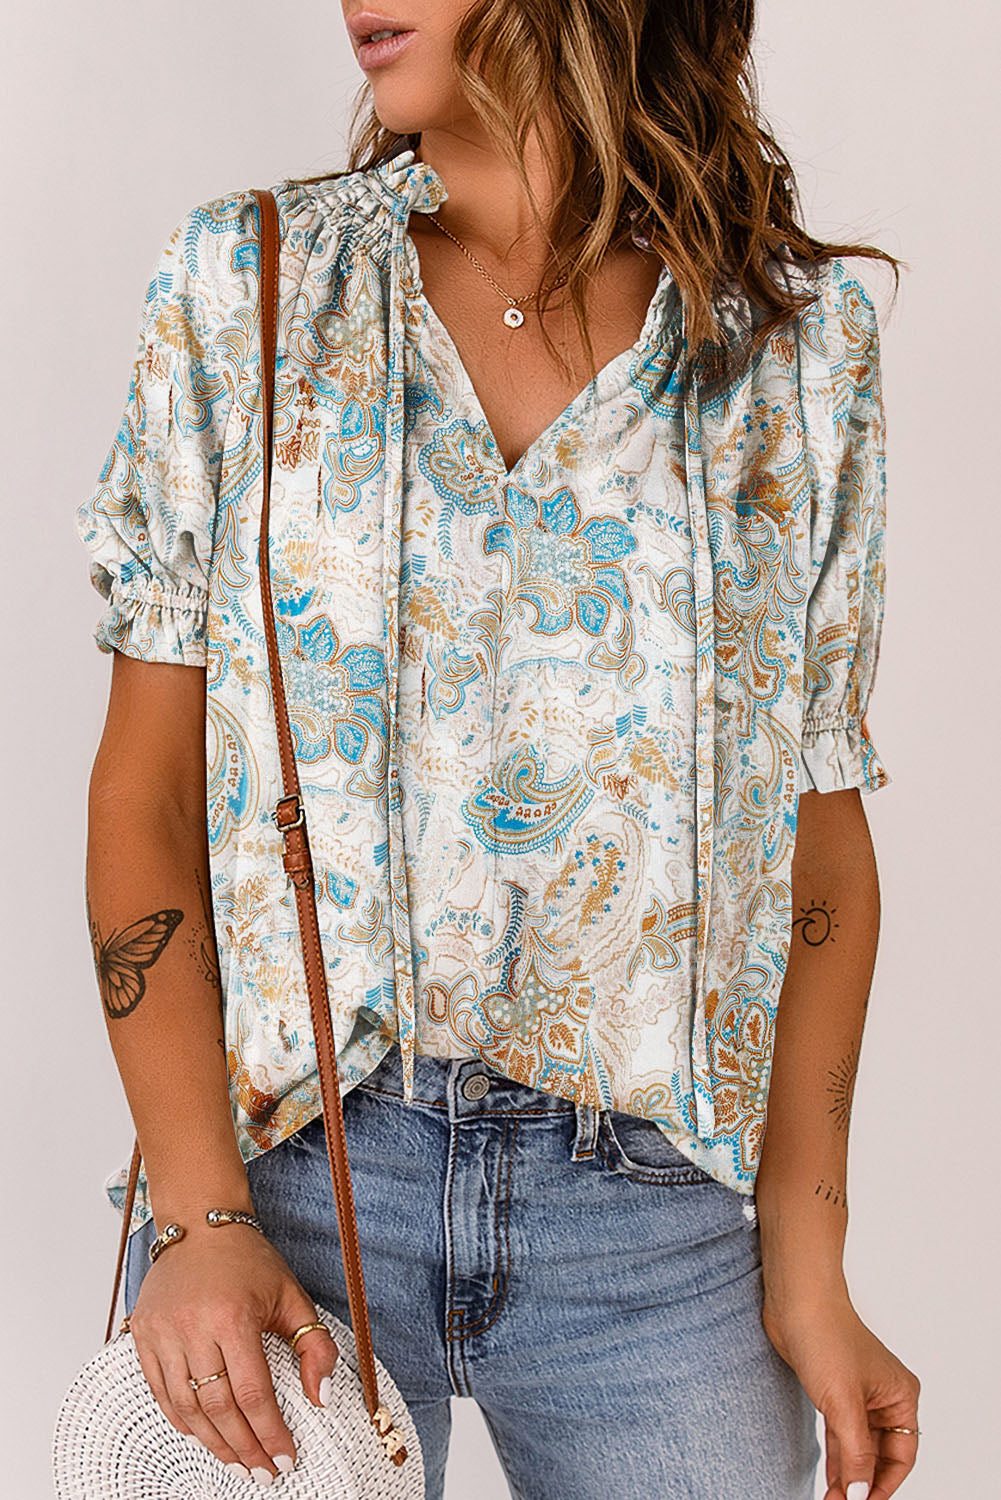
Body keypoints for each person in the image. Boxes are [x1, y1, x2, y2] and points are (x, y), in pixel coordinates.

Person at [75, 3, 921, 1497]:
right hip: (295, 1184)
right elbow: (147, 791)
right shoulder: (255, 283)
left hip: (652, 1230)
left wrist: (810, 1268)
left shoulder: (791, 349)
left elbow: (820, 851)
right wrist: (202, 1217)